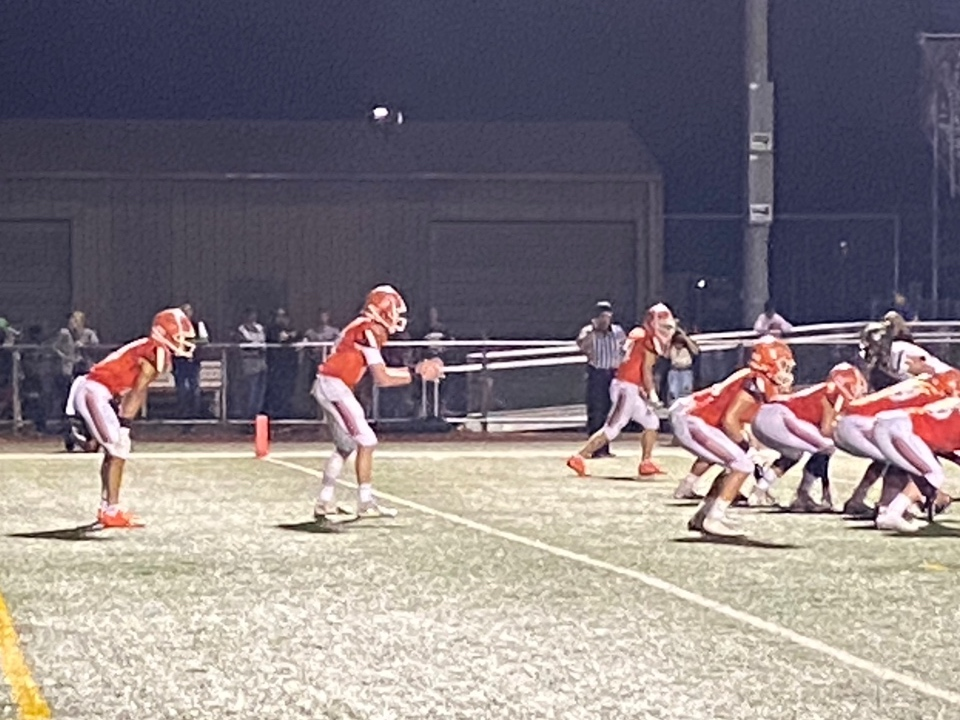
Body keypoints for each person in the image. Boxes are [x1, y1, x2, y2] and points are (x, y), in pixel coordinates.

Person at [311, 285, 442, 521]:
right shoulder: (369, 330)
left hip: (332, 384)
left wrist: (417, 371)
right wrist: (417, 373)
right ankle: (365, 502)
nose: (398, 318)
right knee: (367, 440)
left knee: (346, 446)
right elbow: (382, 378)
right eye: (395, 311)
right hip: (334, 386)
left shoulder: (362, 326)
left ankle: (324, 500)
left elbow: (378, 373)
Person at [65, 308, 195, 527]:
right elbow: (138, 391)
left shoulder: (152, 348)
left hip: (99, 392)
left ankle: (107, 507)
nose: (186, 343)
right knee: (117, 448)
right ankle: (111, 509)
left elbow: (135, 389)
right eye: (181, 337)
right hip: (94, 391)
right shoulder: (156, 352)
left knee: (112, 450)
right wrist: (125, 424)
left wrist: (123, 422)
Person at [670, 336, 795, 537]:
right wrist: (748, 448)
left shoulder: (756, 378)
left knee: (734, 463)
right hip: (693, 418)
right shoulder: (756, 382)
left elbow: (735, 420)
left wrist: (747, 446)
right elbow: (730, 420)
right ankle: (714, 518)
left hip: (694, 417)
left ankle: (704, 515)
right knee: (742, 464)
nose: (786, 371)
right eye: (782, 364)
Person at [567, 303, 676, 478]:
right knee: (612, 428)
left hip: (627, 384)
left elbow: (630, 359)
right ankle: (579, 456)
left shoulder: (637, 333)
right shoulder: (646, 339)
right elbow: (645, 370)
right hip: (626, 386)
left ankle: (646, 462)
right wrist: (652, 393)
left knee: (651, 423)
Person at [748, 363, 867, 511]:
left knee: (794, 453)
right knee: (826, 447)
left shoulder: (822, 390)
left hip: (765, 416)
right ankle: (806, 493)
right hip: (779, 417)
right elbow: (826, 430)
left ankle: (758, 491)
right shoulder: (829, 395)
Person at [575, 301, 626, 458]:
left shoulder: (617, 331)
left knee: (610, 412)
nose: (605, 320)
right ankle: (594, 449)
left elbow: (625, 348)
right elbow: (582, 346)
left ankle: (605, 447)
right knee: (596, 411)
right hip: (597, 373)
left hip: (613, 374)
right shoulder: (588, 331)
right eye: (602, 316)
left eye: (607, 316)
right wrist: (593, 332)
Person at [172, 302, 209, 420]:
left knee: (194, 388)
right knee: (182, 389)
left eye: (188, 311)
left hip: (193, 361)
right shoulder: (174, 327)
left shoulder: (198, 325)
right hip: (179, 361)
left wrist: (191, 342)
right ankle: (182, 415)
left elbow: (205, 340)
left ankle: (194, 415)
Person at [236, 308, 267, 418]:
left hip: (261, 363)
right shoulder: (242, 329)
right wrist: (255, 347)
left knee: (260, 392)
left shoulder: (260, 328)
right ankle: (248, 418)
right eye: (250, 315)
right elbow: (244, 345)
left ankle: (257, 417)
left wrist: (257, 346)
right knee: (250, 391)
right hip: (249, 364)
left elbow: (263, 343)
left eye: (254, 314)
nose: (253, 317)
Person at [666, 327, 699, 404]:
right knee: (673, 392)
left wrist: (684, 336)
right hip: (674, 371)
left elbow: (696, 351)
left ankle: (685, 410)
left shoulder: (688, 348)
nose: (679, 345)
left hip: (686, 371)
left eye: (681, 342)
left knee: (686, 392)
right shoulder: (671, 347)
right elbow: (666, 354)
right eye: (677, 342)